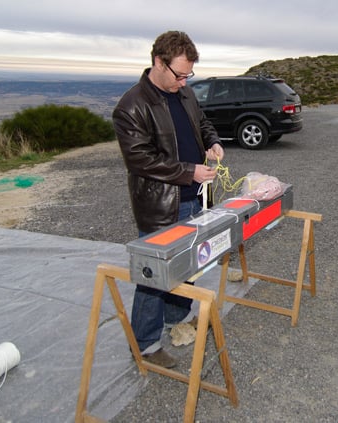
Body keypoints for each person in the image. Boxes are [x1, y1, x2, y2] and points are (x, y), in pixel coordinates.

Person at [112, 31, 224, 368]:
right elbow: (140, 160)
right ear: (159, 63)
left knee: (187, 264)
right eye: (179, 74)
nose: (184, 81)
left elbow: (202, 123)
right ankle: (144, 345)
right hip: (161, 205)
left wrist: (213, 141)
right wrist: (189, 171)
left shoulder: (184, 92)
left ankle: (174, 318)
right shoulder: (130, 106)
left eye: (189, 75)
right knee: (153, 276)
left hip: (195, 198)